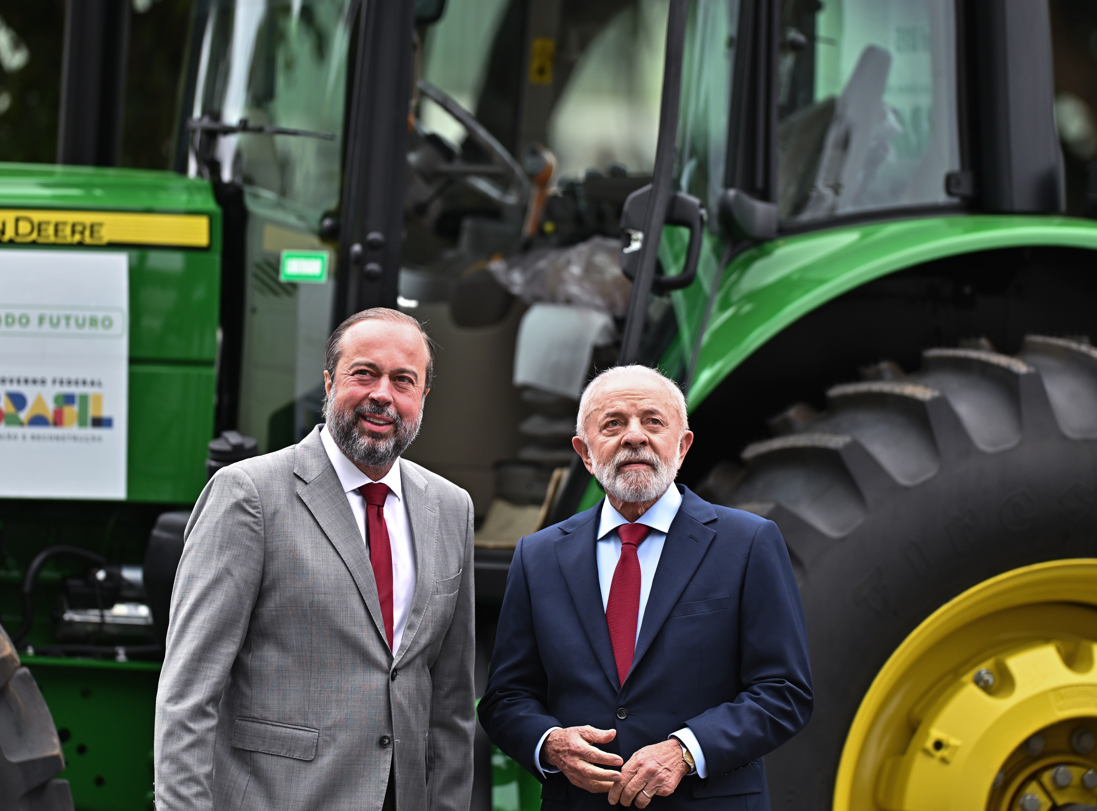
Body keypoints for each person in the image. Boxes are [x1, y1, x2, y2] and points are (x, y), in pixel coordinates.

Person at [154, 308, 476, 811]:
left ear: (423, 397)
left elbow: (452, 704)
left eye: (403, 380)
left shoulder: (451, 507)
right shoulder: (249, 494)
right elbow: (189, 692)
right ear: (329, 382)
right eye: (363, 373)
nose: (382, 395)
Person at [478, 365, 812, 809]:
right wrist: (550, 743)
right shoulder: (537, 556)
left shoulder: (748, 542)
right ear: (585, 452)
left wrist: (685, 751)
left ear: (683, 445)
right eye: (613, 423)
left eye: (653, 421)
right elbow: (505, 697)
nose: (634, 436)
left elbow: (784, 690)